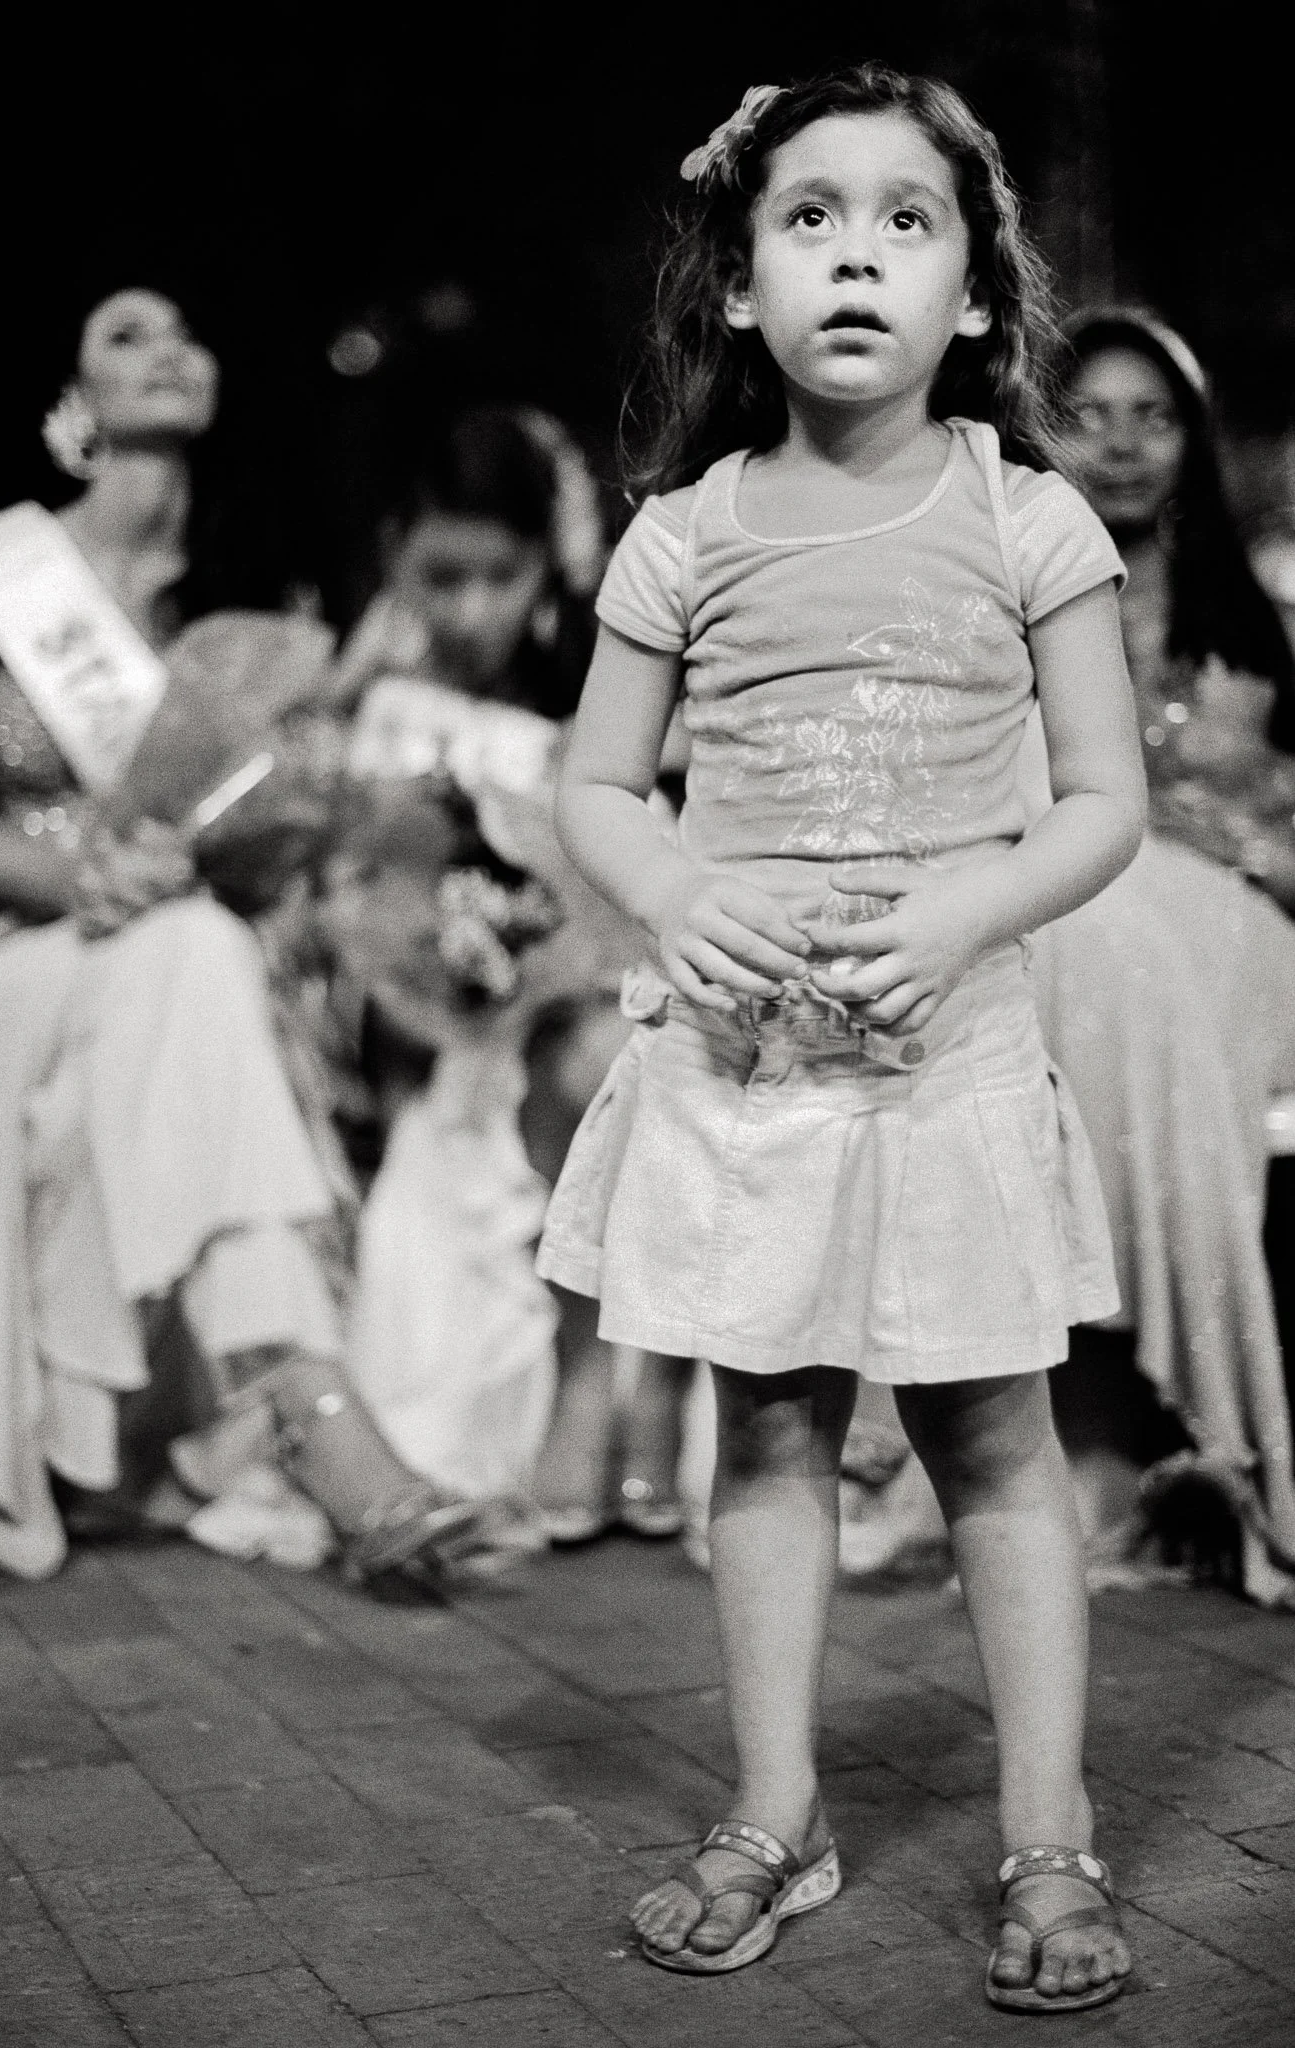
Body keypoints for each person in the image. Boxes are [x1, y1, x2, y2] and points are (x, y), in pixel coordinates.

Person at [535, 67, 1146, 2013]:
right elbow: (599, 783)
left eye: (905, 217)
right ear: (735, 284)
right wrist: (674, 889)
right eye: (810, 218)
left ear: (973, 292)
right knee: (769, 1421)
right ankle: (775, 1804)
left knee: (987, 1436)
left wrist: (966, 906)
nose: (856, 251)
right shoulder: (683, 531)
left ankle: (1045, 1831)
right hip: (747, 1065)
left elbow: (1099, 798)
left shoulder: (1019, 508)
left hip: (946, 1053)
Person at [0, 288, 481, 1583]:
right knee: (188, 955)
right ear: (69, 399)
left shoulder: (249, 594)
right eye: (124, 333)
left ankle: (297, 1401)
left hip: (175, 961)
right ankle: (320, 1423)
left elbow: (275, 827)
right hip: (16, 959)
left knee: (195, 954)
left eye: (185, 332)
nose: (168, 348)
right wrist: (91, 883)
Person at [328, 407, 697, 1542]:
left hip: (600, 1021)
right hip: (439, 1054)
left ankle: (630, 1380)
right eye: (444, 574)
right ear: (397, 554)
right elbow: (336, 917)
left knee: (607, 1054)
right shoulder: (368, 718)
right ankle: (596, 1385)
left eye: (501, 573)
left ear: (550, 563)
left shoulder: (609, 706)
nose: (472, 606)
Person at [1029, 309, 1295, 1599]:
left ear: (1193, 437)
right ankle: (1106, 1429)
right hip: (1081, 922)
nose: (1125, 445)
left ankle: (1161, 1427)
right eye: (1090, 412)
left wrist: (1237, 842)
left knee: (1119, 961)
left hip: (1238, 927)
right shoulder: (1008, 598)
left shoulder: (1259, 618)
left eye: (1156, 414)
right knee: (1084, 958)